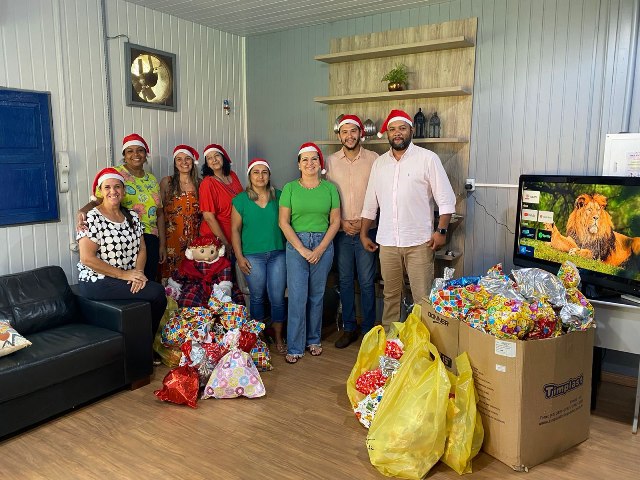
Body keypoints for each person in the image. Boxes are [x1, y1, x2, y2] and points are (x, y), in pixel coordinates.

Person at [360, 109, 456, 326]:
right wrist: (364, 233)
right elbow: (370, 203)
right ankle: (391, 346)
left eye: (402, 128)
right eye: (392, 129)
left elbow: (446, 199)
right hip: (388, 243)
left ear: (411, 130)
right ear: (387, 134)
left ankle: (421, 349)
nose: (397, 133)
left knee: (422, 298)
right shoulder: (380, 164)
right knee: (391, 296)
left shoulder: (428, 159)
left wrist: (441, 231)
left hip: (419, 242)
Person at [77, 167, 167, 346]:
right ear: (100, 191)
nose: (113, 191)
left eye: (117, 187)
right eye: (107, 187)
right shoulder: (91, 218)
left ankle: (142, 345)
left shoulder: (132, 216)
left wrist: (139, 272)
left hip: (125, 277)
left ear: (124, 190)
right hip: (97, 280)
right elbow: (87, 258)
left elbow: (142, 248)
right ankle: (145, 345)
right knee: (156, 292)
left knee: (153, 292)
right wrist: (124, 275)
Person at [279, 143, 341, 364]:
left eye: (314, 159)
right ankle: (295, 346)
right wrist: (302, 249)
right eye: (304, 160)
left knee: (317, 296)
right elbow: (284, 223)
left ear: (319, 162)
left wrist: (320, 248)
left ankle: (313, 339)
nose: (309, 163)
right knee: (297, 297)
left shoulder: (330, 189)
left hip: (323, 244)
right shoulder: (290, 189)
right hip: (297, 244)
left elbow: (335, 222)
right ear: (298, 164)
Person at [77, 133, 166, 281]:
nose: (135, 154)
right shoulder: (115, 174)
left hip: (150, 239)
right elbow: (98, 201)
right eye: (130, 151)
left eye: (140, 150)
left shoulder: (151, 179)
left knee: (148, 280)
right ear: (124, 155)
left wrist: (162, 244)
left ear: (145, 155)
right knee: (130, 284)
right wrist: (82, 211)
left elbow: (160, 213)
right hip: (126, 240)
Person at [325, 115, 379, 349]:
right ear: (339, 135)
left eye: (353, 131)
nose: (349, 136)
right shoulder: (329, 161)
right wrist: (341, 222)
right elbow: (324, 195)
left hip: (368, 230)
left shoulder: (375, 159)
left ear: (360, 134)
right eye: (344, 132)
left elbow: (380, 194)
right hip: (341, 231)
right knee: (345, 281)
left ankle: (368, 330)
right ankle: (349, 328)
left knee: (367, 282)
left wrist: (365, 223)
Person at [231, 158, 287, 354]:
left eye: (264, 172)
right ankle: (258, 337)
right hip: (252, 255)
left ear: (269, 175)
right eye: (256, 172)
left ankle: (279, 336)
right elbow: (235, 230)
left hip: (278, 254)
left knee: (277, 297)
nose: (260, 176)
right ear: (250, 176)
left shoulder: (280, 196)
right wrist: (239, 256)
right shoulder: (240, 200)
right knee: (256, 296)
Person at [159, 144, 201, 282]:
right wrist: (162, 244)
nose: (184, 162)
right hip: (172, 239)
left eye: (187, 158)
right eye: (179, 159)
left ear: (193, 162)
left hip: (195, 239)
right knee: (173, 280)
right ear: (175, 163)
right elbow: (160, 213)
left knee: (193, 278)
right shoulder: (167, 182)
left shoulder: (200, 184)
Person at [198, 144, 243, 257]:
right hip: (216, 240)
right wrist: (225, 243)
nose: (214, 160)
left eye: (216, 156)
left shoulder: (233, 175)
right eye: (209, 158)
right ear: (207, 163)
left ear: (223, 157)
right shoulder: (207, 183)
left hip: (235, 235)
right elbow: (208, 217)